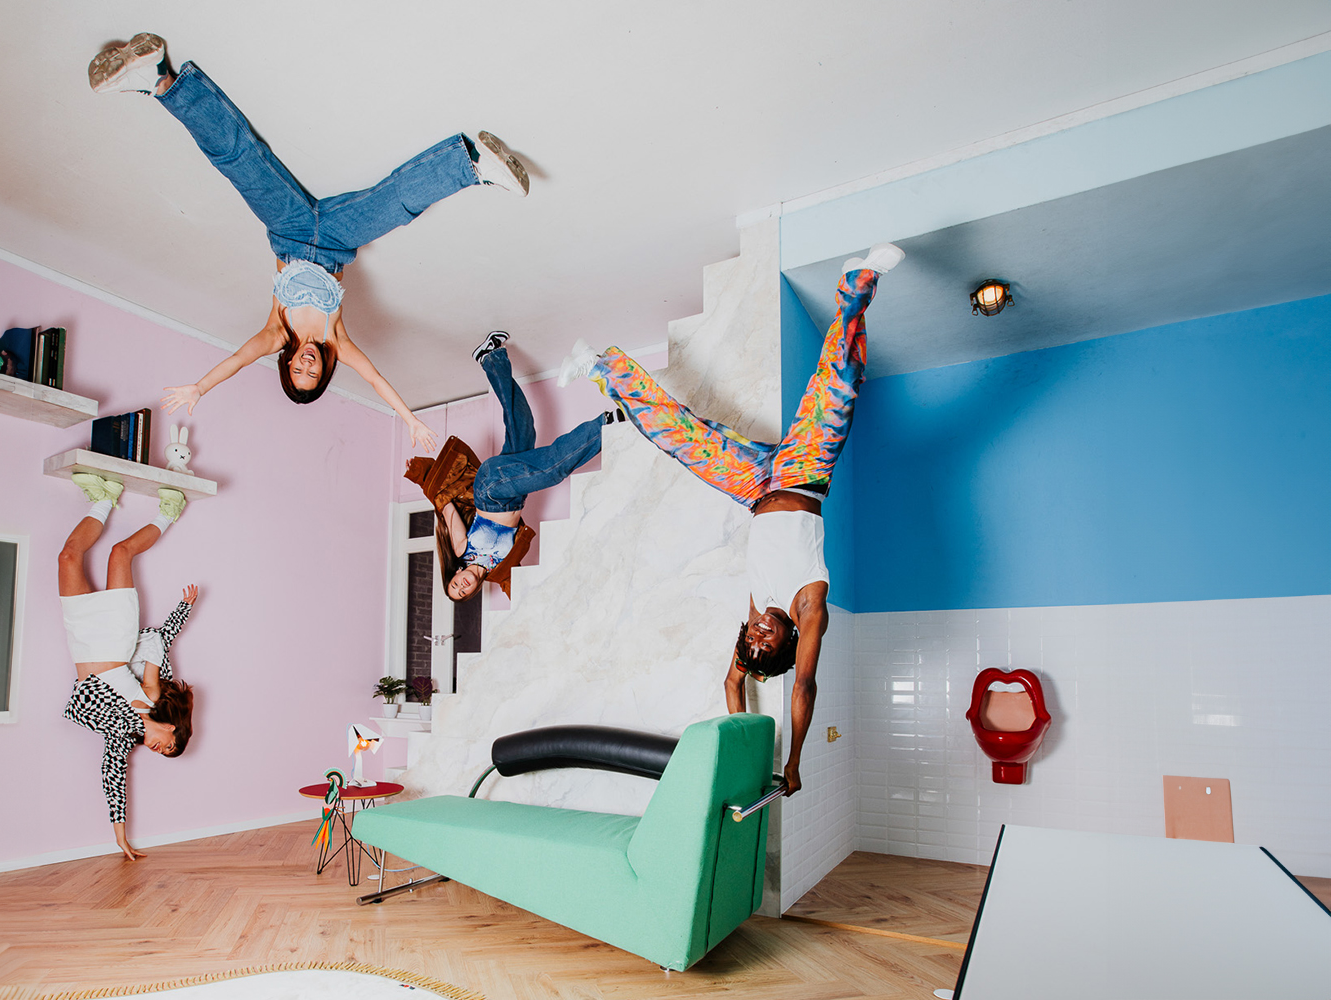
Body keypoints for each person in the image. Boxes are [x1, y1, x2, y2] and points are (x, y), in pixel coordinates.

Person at [557, 243, 905, 795]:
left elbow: (732, 680)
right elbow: (804, 689)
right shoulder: (808, 608)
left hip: (751, 486)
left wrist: (742, 737)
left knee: (678, 438)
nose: (760, 632)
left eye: (753, 639)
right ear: (790, 639)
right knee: (837, 388)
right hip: (802, 476)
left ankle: (601, 367)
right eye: (769, 642)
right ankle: (857, 283)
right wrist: (792, 762)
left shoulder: (755, 615)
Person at [87, 33, 531, 451]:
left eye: (297, 369)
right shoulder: (338, 340)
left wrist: (199, 387)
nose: (305, 364)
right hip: (338, 238)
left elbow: (238, 360)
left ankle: (160, 79)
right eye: (311, 373)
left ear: (287, 364)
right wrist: (410, 420)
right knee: (395, 205)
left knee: (240, 161)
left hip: (290, 230)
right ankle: (474, 163)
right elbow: (375, 380)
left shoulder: (274, 332)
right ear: (323, 372)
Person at [406, 332, 621, 602]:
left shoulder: (461, 550)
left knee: (551, 470)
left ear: (455, 573)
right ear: (473, 591)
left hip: (492, 489)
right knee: (522, 426)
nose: (462, 585)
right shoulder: (501, 572)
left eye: (455, 584)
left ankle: (608, 424)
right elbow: (521, 593)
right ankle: (490, 357)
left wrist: (420, 474)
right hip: (514, 493)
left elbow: (444, 504)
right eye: (464, 591)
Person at [58, 473, 197, 860]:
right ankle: (170, 512)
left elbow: (113, 781)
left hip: (81, 642)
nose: (158, 749)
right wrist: (183, 610)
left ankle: (103, 498)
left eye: (160, 753)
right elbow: (158, 646)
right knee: (121, 552)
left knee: (68, 555)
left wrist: (119, 837)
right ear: (172, 729)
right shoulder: (152, 698)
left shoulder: (121, 738)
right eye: (168, 746)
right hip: (116, 638)